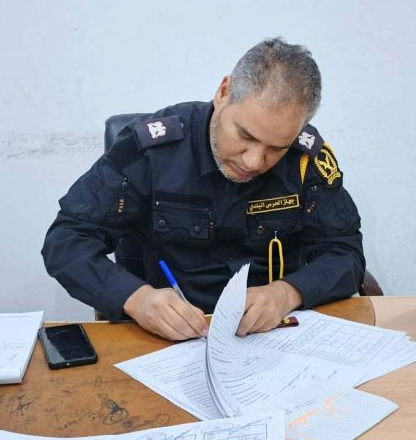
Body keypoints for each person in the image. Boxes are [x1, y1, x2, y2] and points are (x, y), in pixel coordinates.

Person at [42, 38, 365, 341]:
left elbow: (344, 252)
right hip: (170, 339)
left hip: (272, 336)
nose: (254, 161)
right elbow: (67, 239)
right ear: (224, 92)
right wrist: (136, 299)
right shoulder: (155, 152)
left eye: (276, 148)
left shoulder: (305, 160)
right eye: (246, 136)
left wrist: (286, 293)